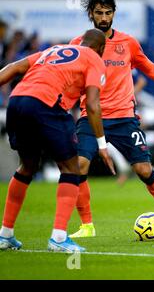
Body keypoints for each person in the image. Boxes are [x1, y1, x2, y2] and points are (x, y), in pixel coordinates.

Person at [69, 0, 154, 238]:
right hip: (91, 117)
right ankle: (87, 226)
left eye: (108, 13)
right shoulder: (78, 44)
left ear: (114, 14)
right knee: (79, 167)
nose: (104, 18)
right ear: (91, 14)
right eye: (99, 13)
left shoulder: (128, 43)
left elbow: (150, 69)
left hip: (124, 118)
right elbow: (68, 79)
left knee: (143, 170)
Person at [0, 29, 115, 252]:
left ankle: (5, 234)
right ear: (100, 49)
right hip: (47, 104)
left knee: (27, 167)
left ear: (81, 41)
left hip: (16, 102)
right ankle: (59, 238)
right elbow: (92, 104)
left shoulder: (53, 50)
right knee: (72, 168)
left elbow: (13, 68)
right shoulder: (94, 59)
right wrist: (102, 144)